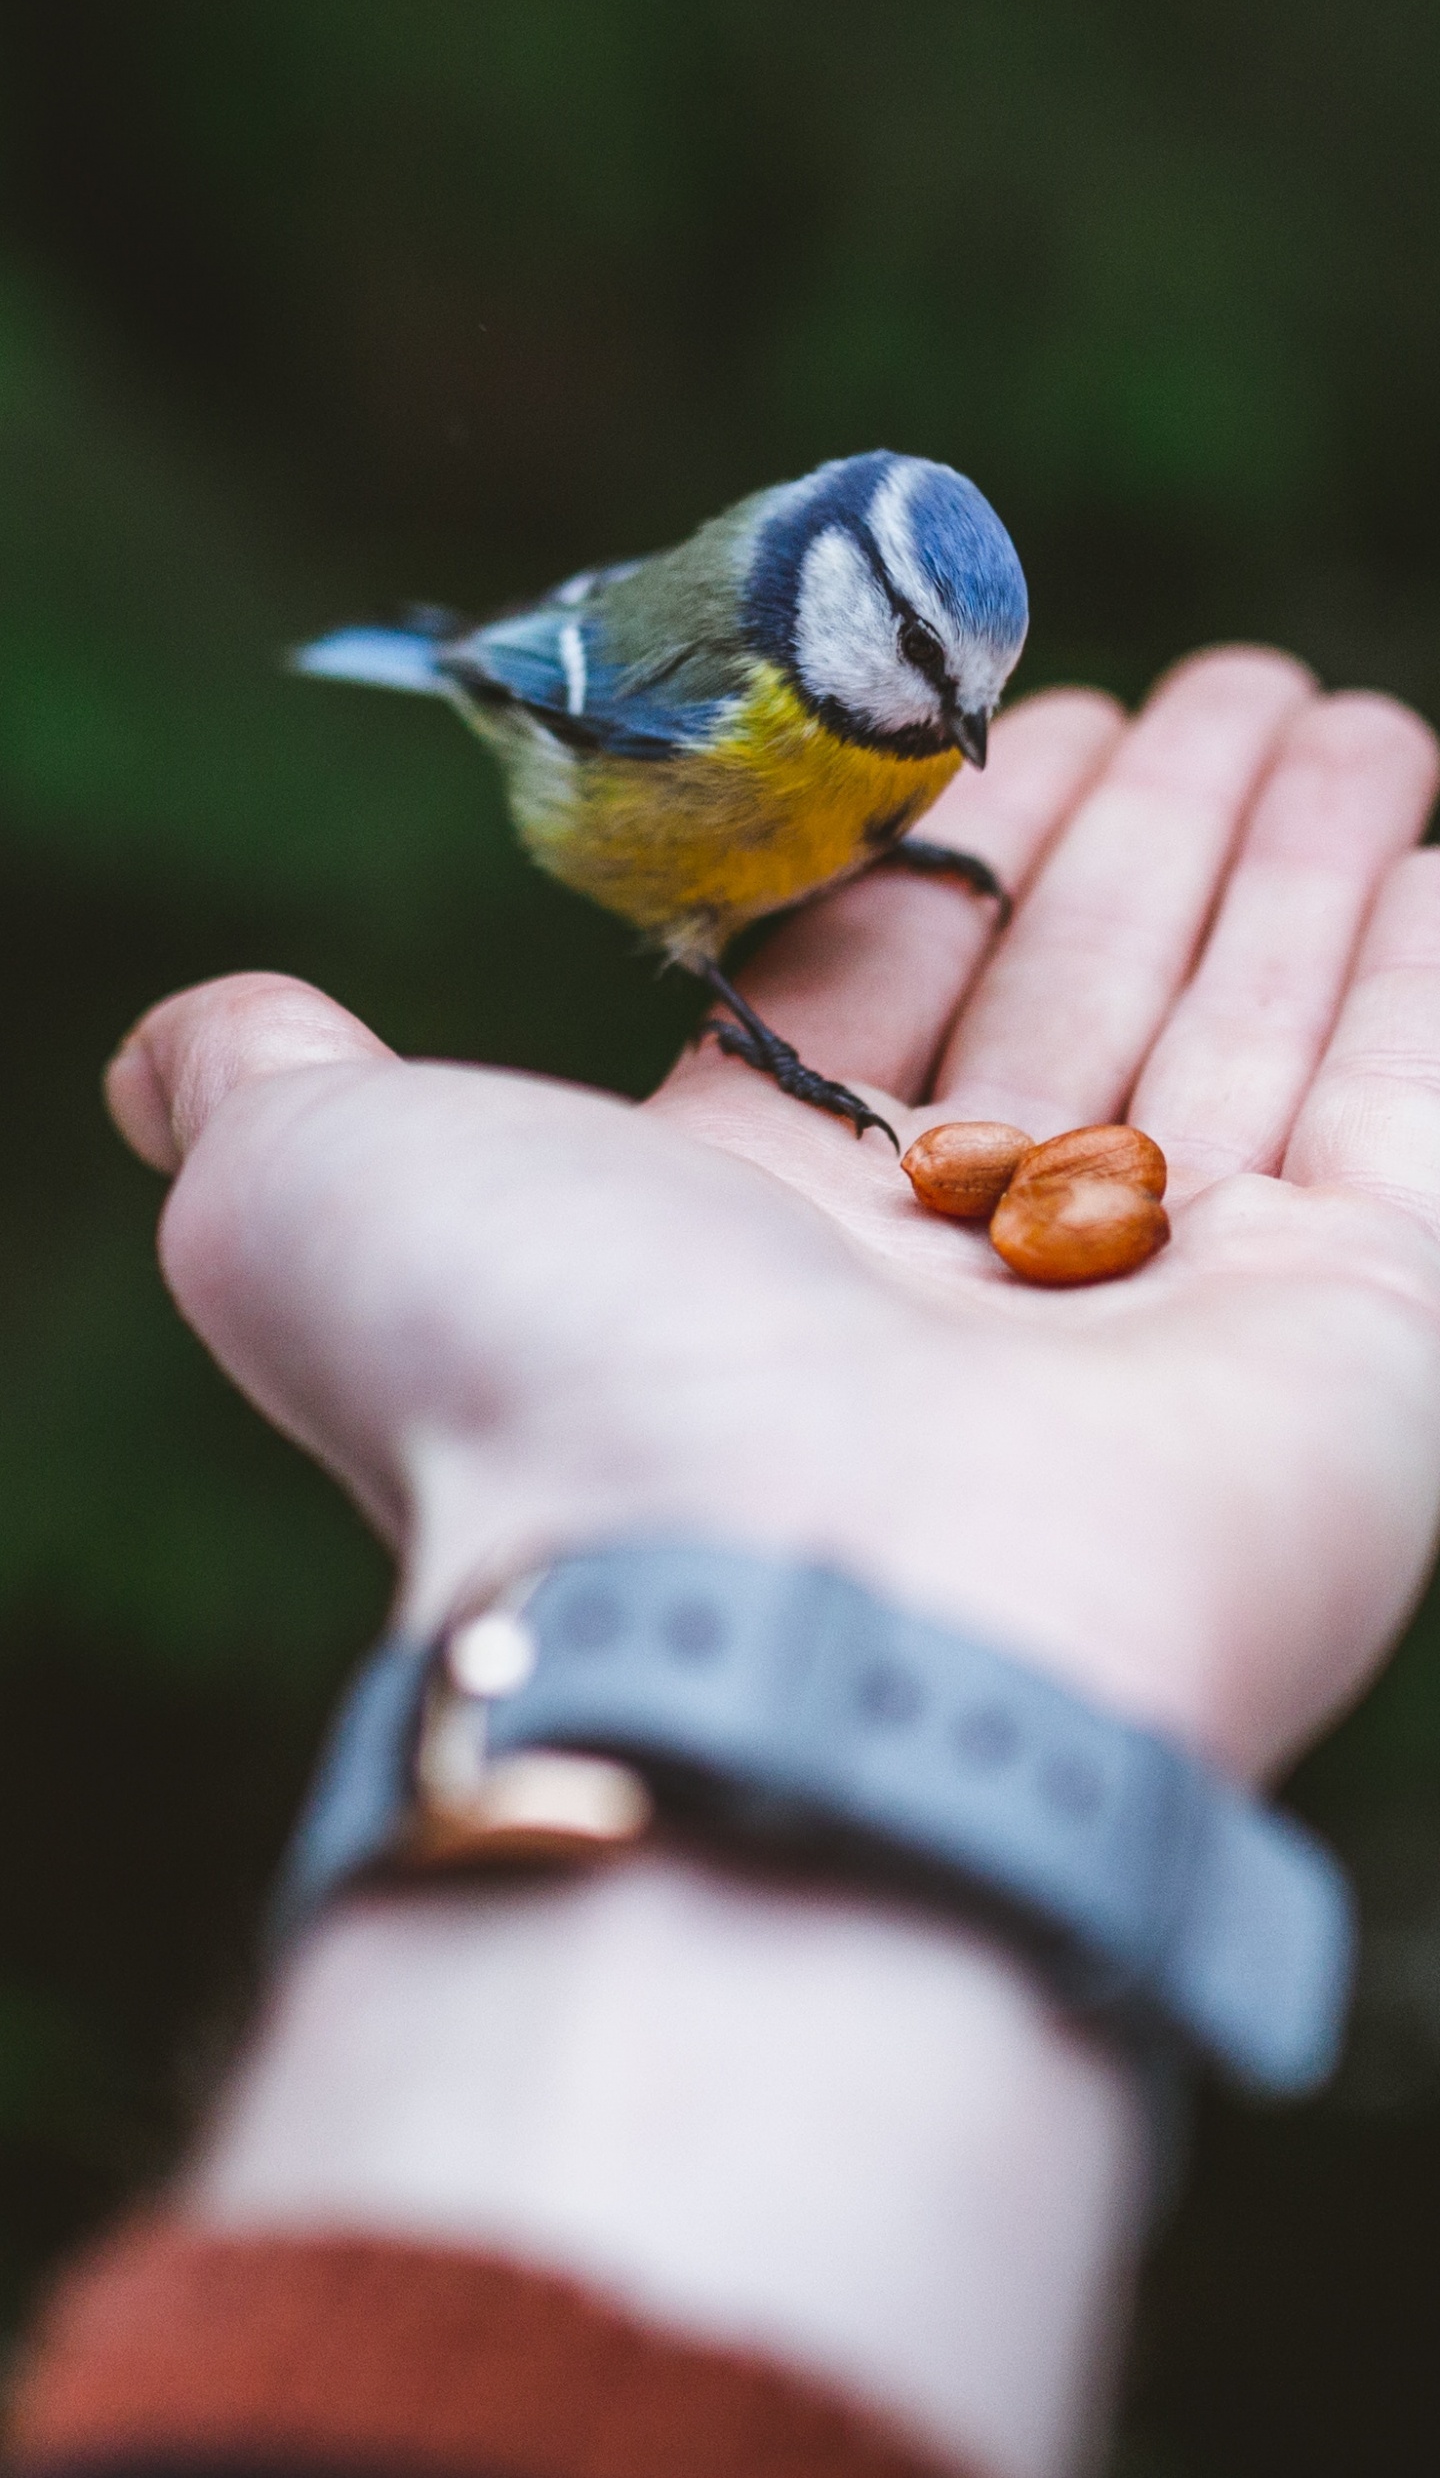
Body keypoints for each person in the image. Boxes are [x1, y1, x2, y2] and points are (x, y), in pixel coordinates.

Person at [10, 645, 1440, 2478]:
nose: (957, 723)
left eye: (974, 690)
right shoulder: (720, 678)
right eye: (915, 664)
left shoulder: (902, 745)